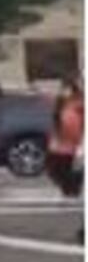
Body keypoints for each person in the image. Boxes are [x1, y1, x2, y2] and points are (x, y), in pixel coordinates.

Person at [46, 77, 83, 242]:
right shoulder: (62, 104)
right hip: (61, 148)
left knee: (67, 172)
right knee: (56, 170)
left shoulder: (78, 106)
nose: (63, 91)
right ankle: (70, 188)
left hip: (73, 148)